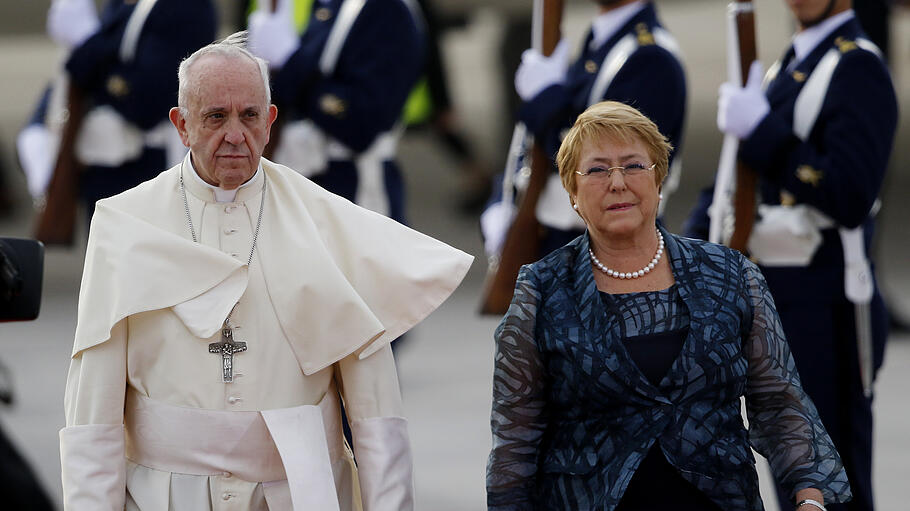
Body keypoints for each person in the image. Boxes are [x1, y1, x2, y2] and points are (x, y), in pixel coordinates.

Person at [58, 32, 472, 510]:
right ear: (181, 125)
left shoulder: (328, 222)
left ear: (270, 121)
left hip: (299, 494)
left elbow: (376, 415)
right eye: (215, 117)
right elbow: (92, 413)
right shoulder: (124, 224)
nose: (235, 134)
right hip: (166, 496)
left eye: (249, 116)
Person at [486, 101, 851, 511]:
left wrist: (810, 497)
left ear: (658, 180)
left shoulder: (730, 274)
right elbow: (515, 441)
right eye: (598, 169)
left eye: (634, 165)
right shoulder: (542, 289)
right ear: (572, 192)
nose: (618, 182)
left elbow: (779, 400)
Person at [712, 1, 897, 509]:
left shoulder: (856, 65)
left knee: (831, 486)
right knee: (796, 478)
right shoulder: (794, 62)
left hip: (827, 304)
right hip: (779, 303)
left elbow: (850, 194)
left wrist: (764, 134)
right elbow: (742, 186)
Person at [482, 0, 686, 259]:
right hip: (564, 246)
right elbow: (534, 152)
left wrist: (545, 99)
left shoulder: (650, 59)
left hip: (611, 254)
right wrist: (502, 202)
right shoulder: (603, 43)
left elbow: (607, 162)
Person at [29, 0, 216, 243]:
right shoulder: (122, 4)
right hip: (104, 168)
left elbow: (145, 103)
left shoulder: (186, 7)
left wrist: (87, 46)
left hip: (144, 170)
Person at [246, 0, 425, 225]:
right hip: (309, 179)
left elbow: (363, 122)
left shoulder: (386, 9)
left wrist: (291, 61)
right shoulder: (331, 4)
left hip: (354, 190)